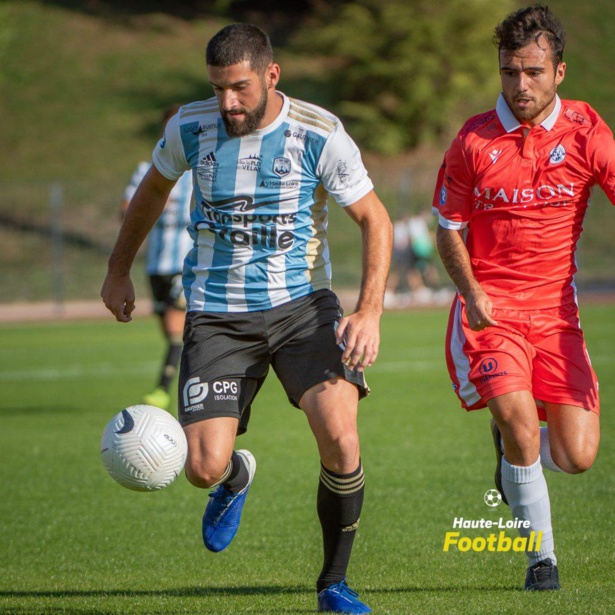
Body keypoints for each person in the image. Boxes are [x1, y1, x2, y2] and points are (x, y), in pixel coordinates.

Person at [101, 23, 392, 614]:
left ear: (271, 75)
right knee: (202, 467)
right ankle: (236, 475)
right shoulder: (190, 126)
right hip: (214, 314)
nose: (228, 103)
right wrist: (118, 270)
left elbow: (375, 220)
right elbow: (151, 194)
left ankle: (332, 585)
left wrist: (369, 310)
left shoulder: (319, 133)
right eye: (217, 89)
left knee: (340, 437)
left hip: (302, 309)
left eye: (238, 88)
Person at [434, 4, 613, 591]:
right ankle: (543, 560)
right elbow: (448, 227)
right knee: (517, 420)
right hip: (492, 309)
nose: (520, 85)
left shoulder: (588, 130)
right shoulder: (473, 138)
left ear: (559, 71)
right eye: (510, 72)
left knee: (579, 456)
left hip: (557, 312)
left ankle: (515, 456)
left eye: (533, 72)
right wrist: (471, 290)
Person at [121, 104, 194, 410]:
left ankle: (164, 390)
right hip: (156, 265)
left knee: (177, 327)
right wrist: (152, 203)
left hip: (184, 262)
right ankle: (192, 382)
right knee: (171, 334)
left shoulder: (197, 166)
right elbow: (126, 210)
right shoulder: (147, 169)